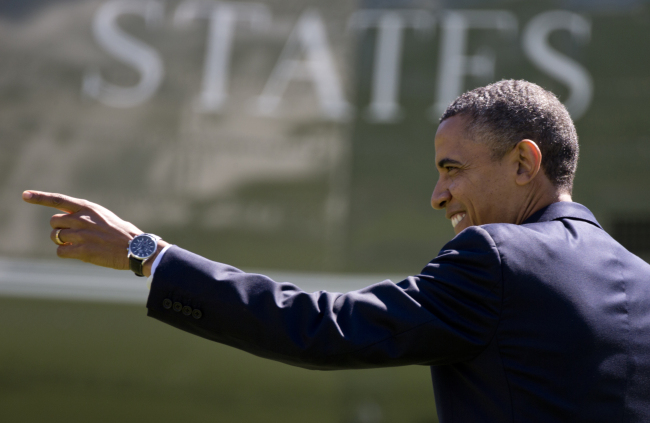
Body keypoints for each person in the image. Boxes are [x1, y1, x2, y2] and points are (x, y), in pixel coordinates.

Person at [23, 80, 650, 422]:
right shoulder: (640, 279)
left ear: (524, 162)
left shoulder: (498, 258)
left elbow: (323, 327)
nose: (438, 195)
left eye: (452, 169)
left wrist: (147, 253)